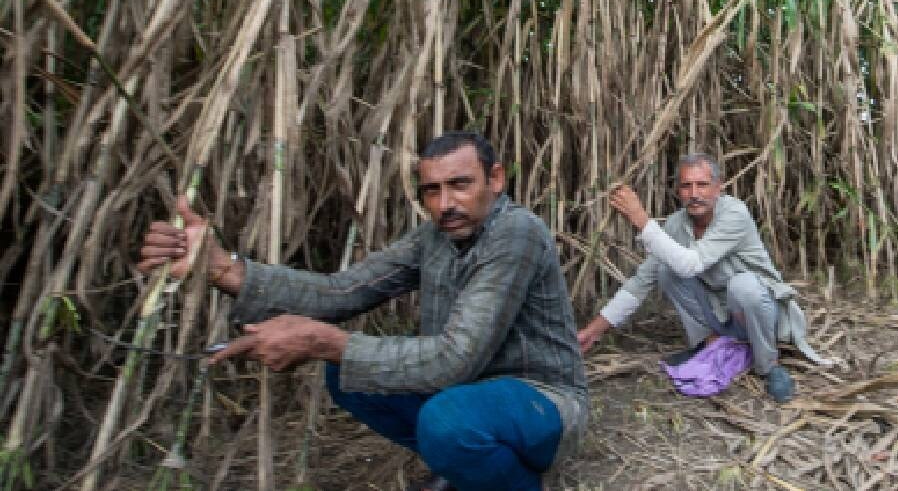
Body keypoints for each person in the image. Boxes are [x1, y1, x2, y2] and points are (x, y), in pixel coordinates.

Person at [137, 132, 587, 491]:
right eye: (432, 191)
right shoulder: (433, 238)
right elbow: (341, 292)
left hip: (540, 400)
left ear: (496, 179)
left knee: (446, 420)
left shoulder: (516, 233)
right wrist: (225, 269)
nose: (445, 204)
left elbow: (455, 359)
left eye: (460, 185)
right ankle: (470, 466)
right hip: (466, 392)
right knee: (351, 377)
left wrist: (321, 340)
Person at [576, 153, 830, 403]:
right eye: (687, 186)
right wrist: (592, 332)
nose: (694, 193)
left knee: (744, 286)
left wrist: (642, 220)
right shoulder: (677, 224)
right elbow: (641, 283)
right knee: (665, 270)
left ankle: (768, 364)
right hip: (722, 316)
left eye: (702, 184)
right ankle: (712, 343)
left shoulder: (734, 214)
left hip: (762, 314)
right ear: (678, 191)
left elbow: (691, 264)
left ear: (718, 188)